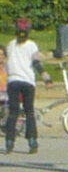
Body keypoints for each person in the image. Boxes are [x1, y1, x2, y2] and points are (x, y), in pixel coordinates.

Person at [3, 18, 41, 155]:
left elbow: (7, 61)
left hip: (13, 81)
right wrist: (45, 75)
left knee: (13, 113)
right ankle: (32, 140)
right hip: (28, 82)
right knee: (29, 112)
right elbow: (36, 62)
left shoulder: (10, 44)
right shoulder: (32, 45)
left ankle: (9, 141)